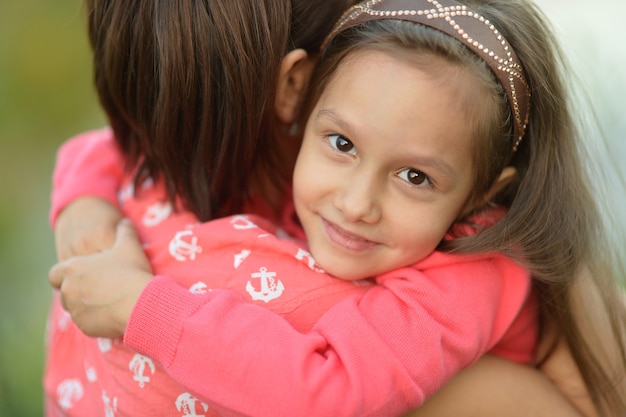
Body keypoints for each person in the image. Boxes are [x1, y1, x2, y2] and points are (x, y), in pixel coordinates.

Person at [47, 0, 626, 415]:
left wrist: (142, 308)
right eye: (343, 144)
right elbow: (107, 146)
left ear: (481, 194)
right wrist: (81, 203)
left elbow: (328, 391)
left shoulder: (470, 273)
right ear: (298, 97)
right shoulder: (336, 156)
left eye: (414, 176)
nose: (356, 203)